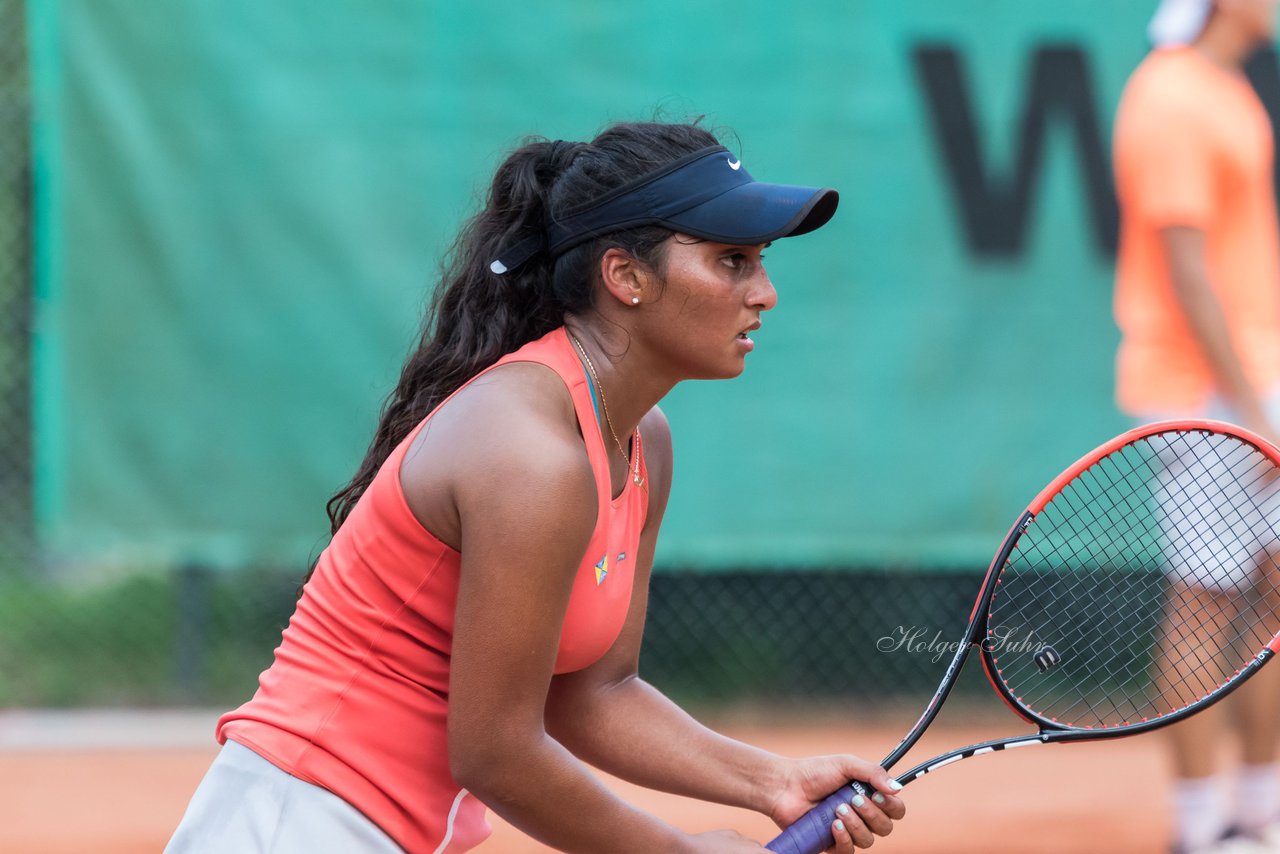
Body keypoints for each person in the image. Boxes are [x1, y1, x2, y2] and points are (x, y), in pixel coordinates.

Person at [165, 121, 906, 853]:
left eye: (760, 261)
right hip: (298, 821)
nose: (765, 293)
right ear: (626, 277)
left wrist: (771, 780)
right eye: (732, 261)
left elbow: (592, 694)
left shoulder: (642, 440)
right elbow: (494, 753)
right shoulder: (531, 456)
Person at [1114, 2, 1280, 851]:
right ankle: (1199, 828)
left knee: (1274, 601)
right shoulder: (1170, 96)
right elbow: (1185, 264)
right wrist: (1248, 405)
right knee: (1207, 602)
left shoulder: (1229, 90)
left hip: (1257, 378)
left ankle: (1258, 810)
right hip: (1206, 392)